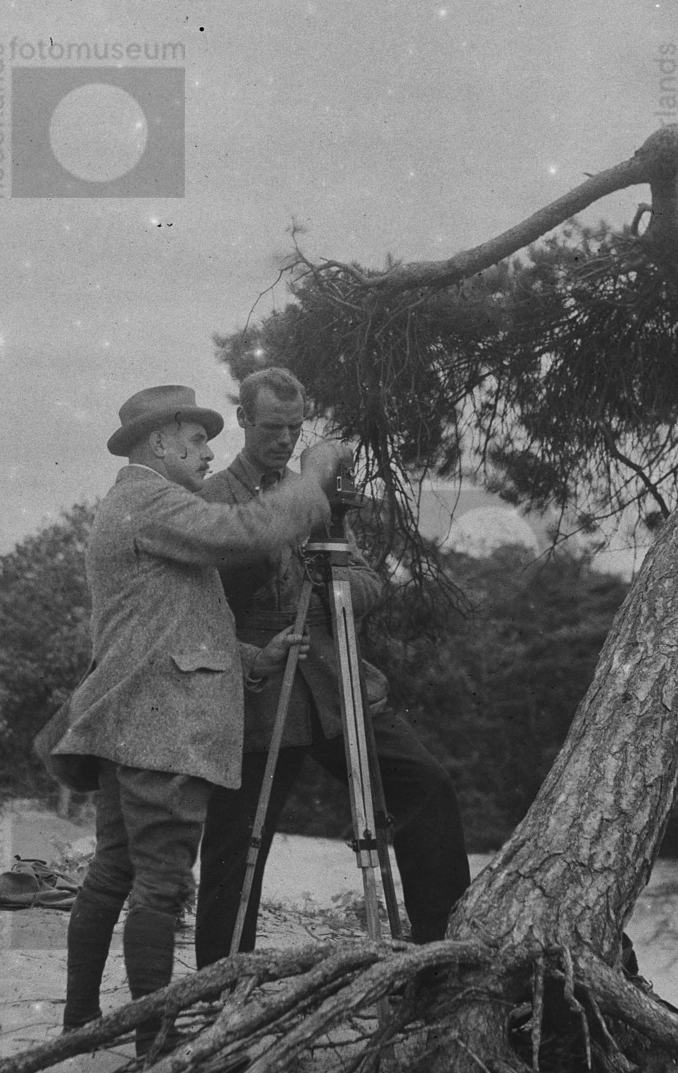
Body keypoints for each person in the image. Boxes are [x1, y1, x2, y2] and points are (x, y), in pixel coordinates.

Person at [37, 384, 346, 1047]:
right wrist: (314, 477)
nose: (210, 452)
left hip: (127, 720)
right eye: (198, 438)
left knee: (113, 871)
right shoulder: (150, 500)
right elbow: (248, 532)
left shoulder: (131, 504)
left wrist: (252, 658)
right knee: (161, 883)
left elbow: (164, 624)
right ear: (159, 442)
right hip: (164, 729)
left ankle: (80, 1024)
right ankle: (155, 1041)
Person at [194, 367, 472, 965]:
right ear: (243, 419)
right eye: (272, 427)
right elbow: (197, 613)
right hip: (258, 690)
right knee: (236, 843)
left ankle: (441, 951)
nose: (284, 440)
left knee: (425, 785)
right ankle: (220, 981)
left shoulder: (315, 494)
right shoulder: (214, 499)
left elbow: (370, 583)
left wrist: (330, 580)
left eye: (295, 429)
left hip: (334, 681)